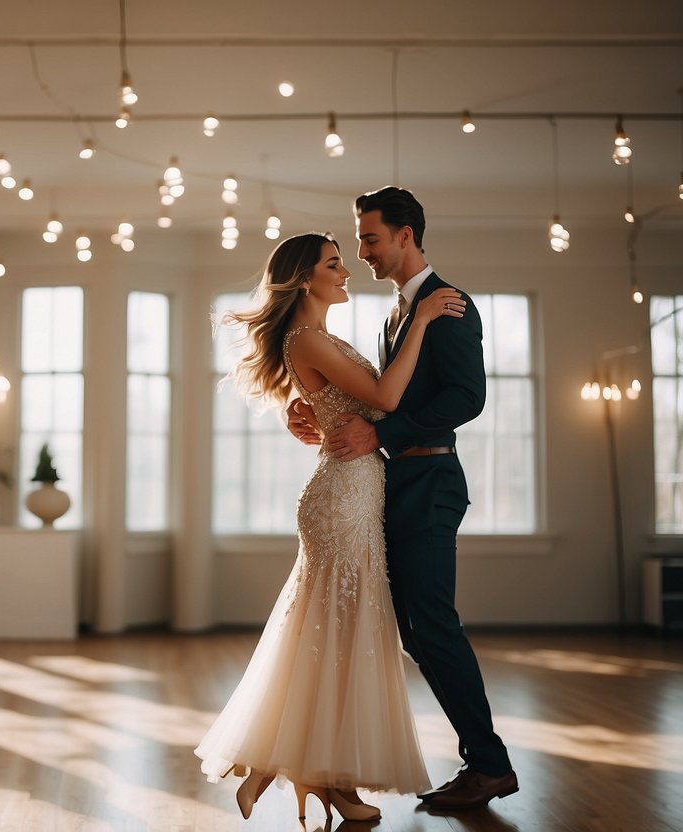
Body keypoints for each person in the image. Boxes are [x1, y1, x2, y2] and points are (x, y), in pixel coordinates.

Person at [195, 232, 466, 823]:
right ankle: (309, 771)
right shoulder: (310, 338)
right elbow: (388, 399)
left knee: (332, 632)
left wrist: (311, 411)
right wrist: (420, 320)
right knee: (339, 633)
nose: (347, 272)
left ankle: (296, 767)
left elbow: (348, 406)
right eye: (334, 264)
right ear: (304, 279)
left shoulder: (318, 339)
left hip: (353, 492)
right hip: (342, 497)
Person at [288, 186, 518, 810]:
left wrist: (382, 431)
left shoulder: (449, 305)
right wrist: (309, 405)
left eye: (369, 238)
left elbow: (467, 397)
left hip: (432, 481)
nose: (362, 251)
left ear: (406, 236)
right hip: (395, 483)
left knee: (432, 623)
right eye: (357, 241)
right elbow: (373, 391)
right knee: (415, 630)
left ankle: (489, 764)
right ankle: (479, 760)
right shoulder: (396, 313)